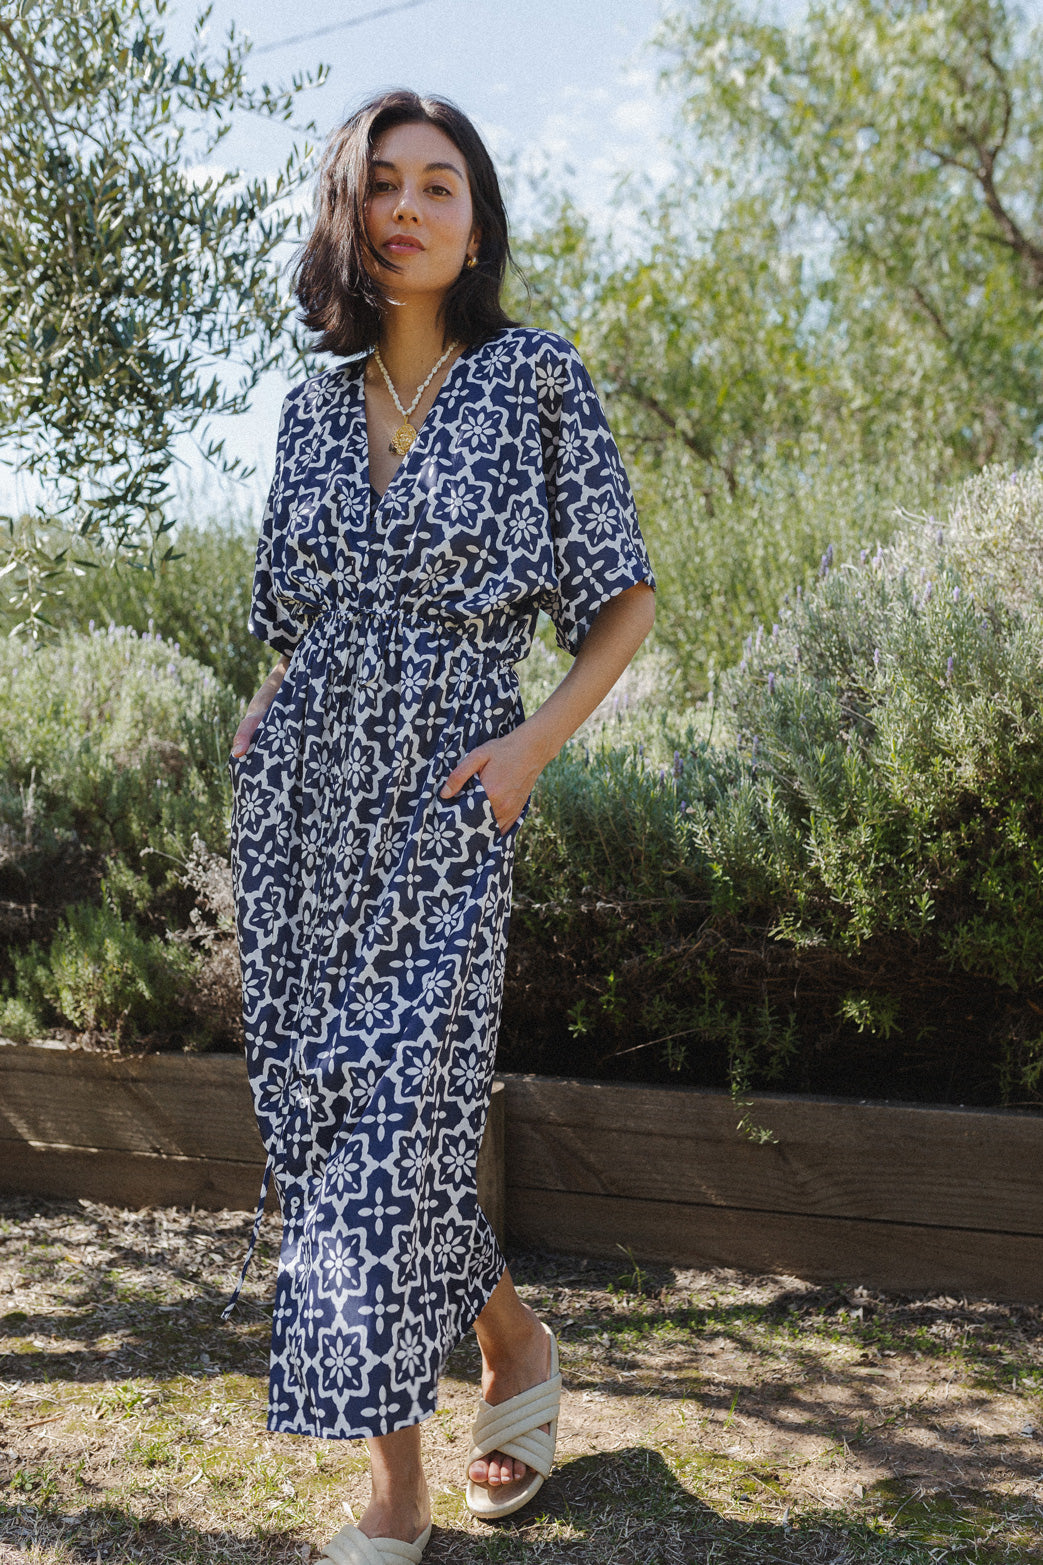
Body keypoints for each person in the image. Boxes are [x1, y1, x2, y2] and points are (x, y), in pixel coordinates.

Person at [221, 88, 656, 1563]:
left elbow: (624, 599)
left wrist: (534, 743)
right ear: (352, 216)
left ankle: (394, 1497)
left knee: (400, 1107)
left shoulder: (536, 378)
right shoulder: (304, 406)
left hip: (458, 791)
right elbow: (296, 615)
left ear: (476, 225)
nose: (410, 207)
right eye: (384, 185)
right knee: (340, 1121)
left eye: (441, 187)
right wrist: (268, 706)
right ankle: (516, 1349)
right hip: (304, 806)